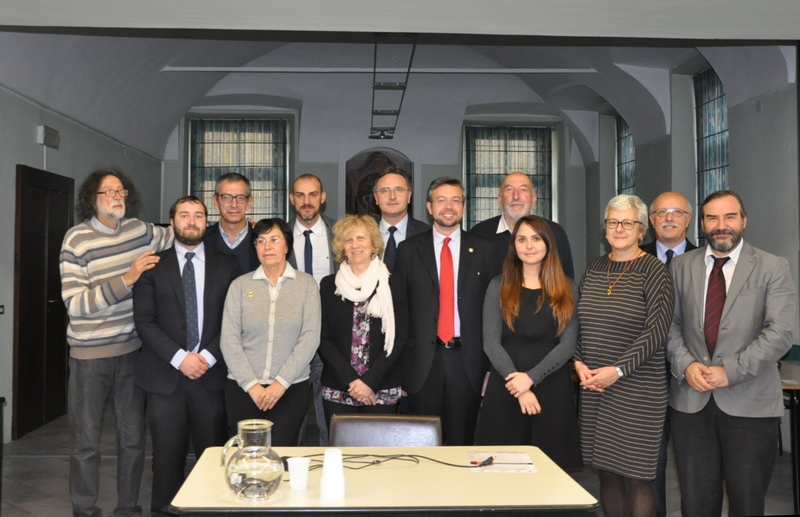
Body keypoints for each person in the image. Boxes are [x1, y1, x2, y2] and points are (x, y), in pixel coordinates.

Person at [667, 190, 796, 517]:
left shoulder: (772, 266)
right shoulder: (680, 267)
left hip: (749, 404)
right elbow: (669, 326)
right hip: (691, 403)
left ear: (744, 221)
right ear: (702, 223)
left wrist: (729, 370)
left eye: (729, 217)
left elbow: (779, 332)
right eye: (712, 217)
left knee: (747, 502)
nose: (721, 225)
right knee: (695, 503)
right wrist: (686, 365)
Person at [60, 168, 173, 517]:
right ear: (91, 200)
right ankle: (84, 507)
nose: (117, 196)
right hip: (88, 357)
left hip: (132, 354)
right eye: (109, 191)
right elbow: (76, 306)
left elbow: (179, 233)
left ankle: (128, 506)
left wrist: (232, 226)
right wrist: (128, 278)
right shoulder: (76, 240)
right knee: (85, 442)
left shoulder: (141, 231)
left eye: (121, 190)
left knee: (134, 439)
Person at [133, 196, 240, 517]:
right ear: (172, 221)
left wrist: (207, 355)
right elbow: (144, 321)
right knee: (166, 462)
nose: (191, 221)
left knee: (213, 460)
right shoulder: (152, 265)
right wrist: (181, 358)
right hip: (165, 379)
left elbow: (235, 321)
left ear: (206, 222)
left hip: (212, 377)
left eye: (198, 215)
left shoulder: (228, 266)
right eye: (184, 215)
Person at [573, 194, 674, 517]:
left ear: (641, 229)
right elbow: (576, 321)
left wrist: (616, 370)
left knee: (637, 476)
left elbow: (656, 332)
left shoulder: (654, 272)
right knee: (607, 471)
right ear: (605, 228)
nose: (619, 228)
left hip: (638, 391)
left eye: (627, 222)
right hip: (594, 389)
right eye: (613, 222)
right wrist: (578, 364)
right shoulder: (593, 269)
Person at [392, 177, 493, 445]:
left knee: (461, 442)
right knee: (424, 442)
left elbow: (493, 313)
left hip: (468, 362)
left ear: (464, 206)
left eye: (455, 200)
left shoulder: (485, 250)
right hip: (422, 362)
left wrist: (490, 370)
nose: (448, 207)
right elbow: (399, 313)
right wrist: (399, 371)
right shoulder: (408, 250)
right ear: (428, 206)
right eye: (441, 200)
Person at [475, 215, 581, 469]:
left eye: (536, 238)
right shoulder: (498, 285)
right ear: (514, 246)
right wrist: (519, 385)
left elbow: (567, 346)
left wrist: (530, 379)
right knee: (502, 468)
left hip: (552, 384)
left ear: (548, 244)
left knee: (551, 470)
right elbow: (491, 343)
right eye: (522, 239)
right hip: (506, 383)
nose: (529, 245)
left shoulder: (567, 287)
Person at [221, 218, 321, 446]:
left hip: (290, 388)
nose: (267, 247)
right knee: (247, 459)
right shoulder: (240, 285)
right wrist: (252, 386)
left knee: (279, 457)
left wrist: (280, 384)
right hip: (243, 389)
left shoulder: (306, 285)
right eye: (261, 241)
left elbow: (310, 337)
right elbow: (229, 340)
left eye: (274, 239)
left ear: (287, 245)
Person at [318, 215, 405, 431]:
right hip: (339, 387)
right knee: (342, 455)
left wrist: (369, 382)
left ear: (373, 243)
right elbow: (323, 338)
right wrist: (351, 381)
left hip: (380, 387)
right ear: (341, 247)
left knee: (378, 457)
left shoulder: (394, 283)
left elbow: (400, 338)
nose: (355, 245)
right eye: (348, 240)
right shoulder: (329, 285)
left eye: (361, 238)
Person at [640, 190, 697, 517]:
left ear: (688, 219)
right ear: (651, 221)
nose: (669, 218)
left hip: (691, 375)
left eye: (677, 212)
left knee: (694, 461)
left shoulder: (708, 257)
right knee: (650, 461)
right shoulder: (634, 256)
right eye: (661, 212)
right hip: (645, 376)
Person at [286, 173, 338, 445]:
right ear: (292, 198)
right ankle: (287, 465)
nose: (307, 202)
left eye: (313, 194)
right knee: (291, 406)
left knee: (326, 405)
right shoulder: (278, 236)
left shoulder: (340, 233)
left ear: (323, 197)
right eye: (300, 195)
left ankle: (329, 462)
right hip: (290, 335)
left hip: (329, 334)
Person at [470, 171, 573, 279]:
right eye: (509, 190)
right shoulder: (479, 233)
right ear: (500, 199)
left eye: (523, 190)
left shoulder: (554, 232)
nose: (516, 196)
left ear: (534, 198)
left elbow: (566, 280)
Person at [372, 165, 430, 273]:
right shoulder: (363, 234)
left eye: (399, 190)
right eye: (385, 190)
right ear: (376, 198)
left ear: (409, 196)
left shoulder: (428, 235)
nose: (392, 196)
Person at [203, 172, 260, 273]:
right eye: (226, 197)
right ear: (215, 202)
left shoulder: (261, 239)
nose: (234, 204)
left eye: (240, 198)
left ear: (249, 202)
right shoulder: (201, 240)